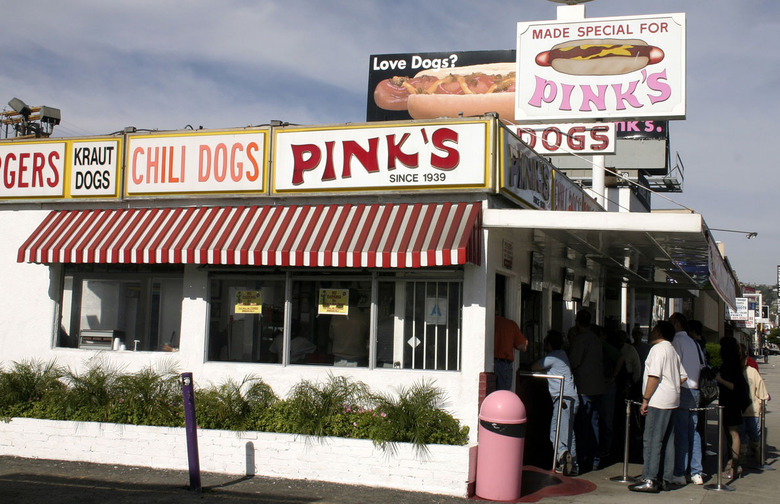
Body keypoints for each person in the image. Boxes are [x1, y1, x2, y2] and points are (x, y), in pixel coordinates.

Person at [629, 321, 687, 493]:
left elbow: (654, 376)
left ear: (659, 332)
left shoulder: (657, 349)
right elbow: (682, 375)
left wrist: (646, 398)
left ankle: (650, 478)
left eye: (654, 329)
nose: (651, 332)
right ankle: (665, 478)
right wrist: (671, 384)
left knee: (652, 439)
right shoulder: (672, 350)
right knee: (668, 439)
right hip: (672, 399)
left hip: (658, 400)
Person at [532, 329, 579, 476]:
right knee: (568, 432)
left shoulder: (552, 357)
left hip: (563, 398)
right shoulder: (562, 355)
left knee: (555, 432)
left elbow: (534, 367)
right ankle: (574, 465)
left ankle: (563, 456)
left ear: (549, 344)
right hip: (572, 397)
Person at [669, 313, 705, 486]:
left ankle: (679, 472)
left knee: (681, 433)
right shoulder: (694, 343)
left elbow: (674, 368)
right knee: (694, 432)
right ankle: (696, 471)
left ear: (676, 324)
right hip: (695, 389)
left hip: (682, 389)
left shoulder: (677, 341)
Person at [568, 309, 605, 472]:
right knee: (595, 424)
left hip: (584, 388)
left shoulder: (580, 340)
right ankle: (595, 459)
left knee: (584, 426)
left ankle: (584, 458)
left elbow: (574, 362)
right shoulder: (596, 339)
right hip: (598, 387)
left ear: (577, 322)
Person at [715, 337, 751, 480]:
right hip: (729, 402)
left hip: (731, 402)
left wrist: (720, 380)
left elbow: (735, 386)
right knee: (730, 434)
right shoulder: (735, 363)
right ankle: (733, 463)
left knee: (733, 433)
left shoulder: (730, 366)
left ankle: (734, 465)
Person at [739, 342, 770, 465]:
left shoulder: (752, 371)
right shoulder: (734, 371)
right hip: (740, 411)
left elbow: (761, 390)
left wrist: (763, 404)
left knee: (754, 435)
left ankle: (757, 456)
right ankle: (741, 459)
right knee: (741, 436)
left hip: (753, 410)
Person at [493, 311, 528, 391]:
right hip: (504, 364)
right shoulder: (510, 324)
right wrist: (525, 341)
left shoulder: (487, 321)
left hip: (488, 364)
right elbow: (522, 347)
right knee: (504, 394)